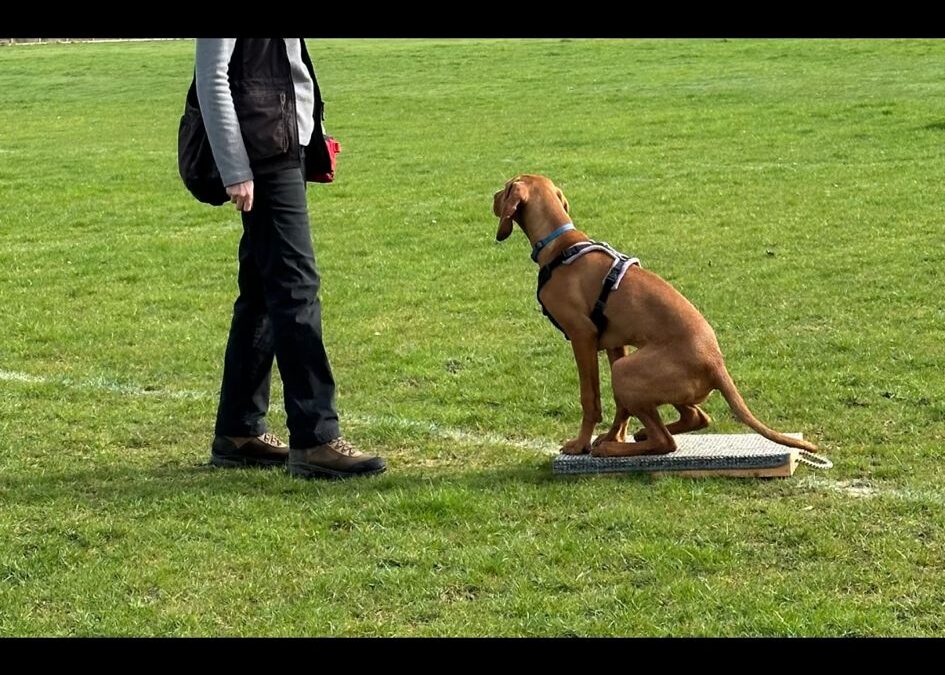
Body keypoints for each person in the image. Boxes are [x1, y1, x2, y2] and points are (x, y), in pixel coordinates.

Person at [195, 38, 385, 479]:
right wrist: (235, 167)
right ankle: (316, 439)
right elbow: (212, 77)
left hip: (285, 146)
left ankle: (239, 432)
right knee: (296, 288)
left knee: (263, 291)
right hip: (263, 155)